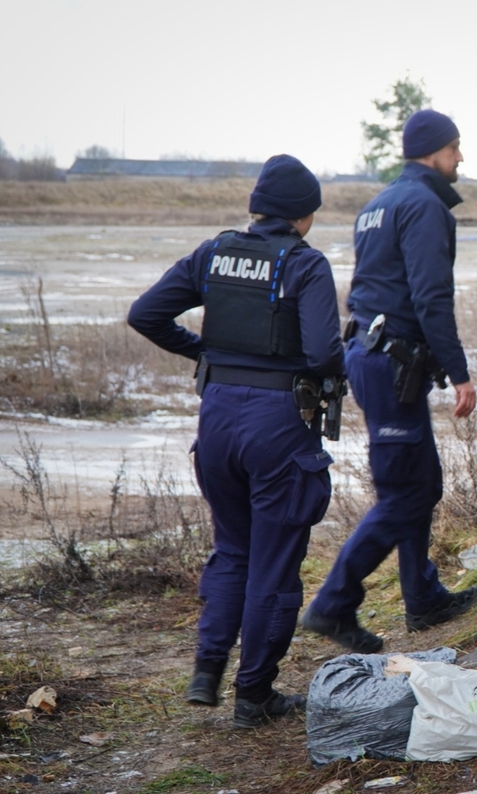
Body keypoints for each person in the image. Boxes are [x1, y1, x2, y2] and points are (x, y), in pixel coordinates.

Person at [127, 155, 343, 728]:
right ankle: (254, 696)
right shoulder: (307, 263)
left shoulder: (213, 253)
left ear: (256, 208)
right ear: (305, 215)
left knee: (232, 550)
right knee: (273, 564)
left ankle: (206, 671)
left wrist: (205, 355)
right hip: (277, 425)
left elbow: (145, 314)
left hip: (216, 420)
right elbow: (322, 354)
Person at [300, 109, 477, 653]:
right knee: (405, 493)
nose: (461, 158)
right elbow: (430, 298)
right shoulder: (424, 205)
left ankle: (422, 597)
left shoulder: (378, 205)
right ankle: (333, 605)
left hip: (373, 356)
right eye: (455, 149)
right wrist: (460, 374)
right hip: (392, 362)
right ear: (432, 152)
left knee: (420, 483)